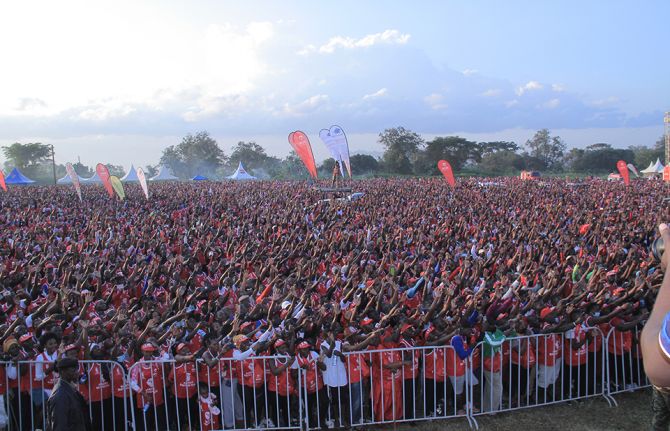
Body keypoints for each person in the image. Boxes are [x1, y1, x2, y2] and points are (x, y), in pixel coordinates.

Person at [45, 357, 92, 431]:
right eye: (73, 370)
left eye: (77, 369)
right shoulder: (60, 395)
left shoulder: (69, 389)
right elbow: (60, 426)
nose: (77, 372)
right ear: (63, 372)